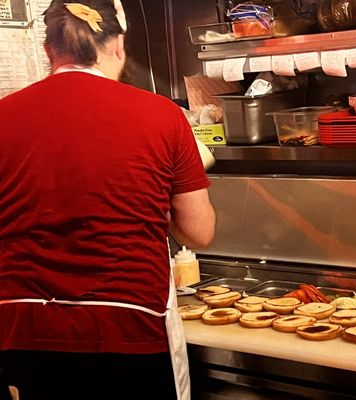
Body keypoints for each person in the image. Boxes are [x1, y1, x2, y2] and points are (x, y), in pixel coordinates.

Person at [0, 1, 216, 399]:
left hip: (25, 331)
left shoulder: (4, 114)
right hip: (131, 327)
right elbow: (199, 232)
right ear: (118, 44)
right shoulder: (162, 116)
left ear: (49, 49)